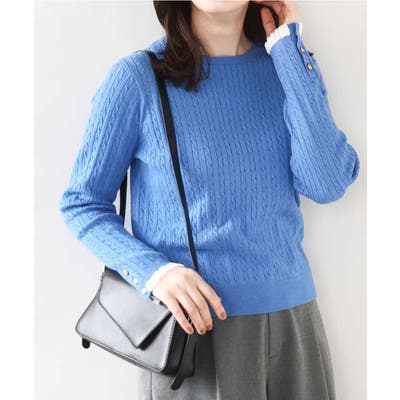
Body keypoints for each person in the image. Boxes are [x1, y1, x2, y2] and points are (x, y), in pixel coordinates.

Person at [59, 1, 360, 399]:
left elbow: (326, 183)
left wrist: (288, 49)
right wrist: (155, 273)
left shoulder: (286, 68)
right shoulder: (138, 79)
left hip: (294, 322)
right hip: (193, 332)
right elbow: (82, 203)